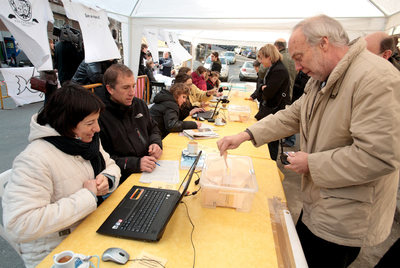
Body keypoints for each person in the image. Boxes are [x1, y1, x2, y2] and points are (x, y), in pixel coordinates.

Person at [217, 15, 400, 268]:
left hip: (345, 216)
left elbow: (378, 156)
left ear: (324, 43)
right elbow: (293, 114)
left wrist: (312, 164)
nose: (297, 67)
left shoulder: (376, 78)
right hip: (319, 201)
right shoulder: (323, 77)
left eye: (300, 57)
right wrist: (245, 135)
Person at [2, 83, 121, 267]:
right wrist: (87, 197)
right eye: (90, 123)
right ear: (67, 124)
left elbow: (111, 165)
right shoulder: (33, 160)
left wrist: (107, 179)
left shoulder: (85, 141)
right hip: (56, 252)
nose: (97, 128)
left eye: (97, 120)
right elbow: (19, 225)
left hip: (88, 228)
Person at [99, 64, 163, 183]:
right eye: (125, 88)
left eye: (133, 86)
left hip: (150, 169)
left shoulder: (139, 104)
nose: (132, 92)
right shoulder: (99, 116)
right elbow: (103, 159)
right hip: (123, 179)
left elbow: (153, 128)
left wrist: (156, 143)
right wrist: (136, 164)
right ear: (110, 89)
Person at [253, 44, 290, 160]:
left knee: (272, 141)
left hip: (274, 110)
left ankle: (271, 164)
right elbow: (266, 89)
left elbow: (268, 93)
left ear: (269, 56)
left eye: (261, 58)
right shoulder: (275, 67)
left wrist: (263, 88)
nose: (260, 61)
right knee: (270, 140)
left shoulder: (278, 70)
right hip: (273, 109)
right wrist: (263, 88)